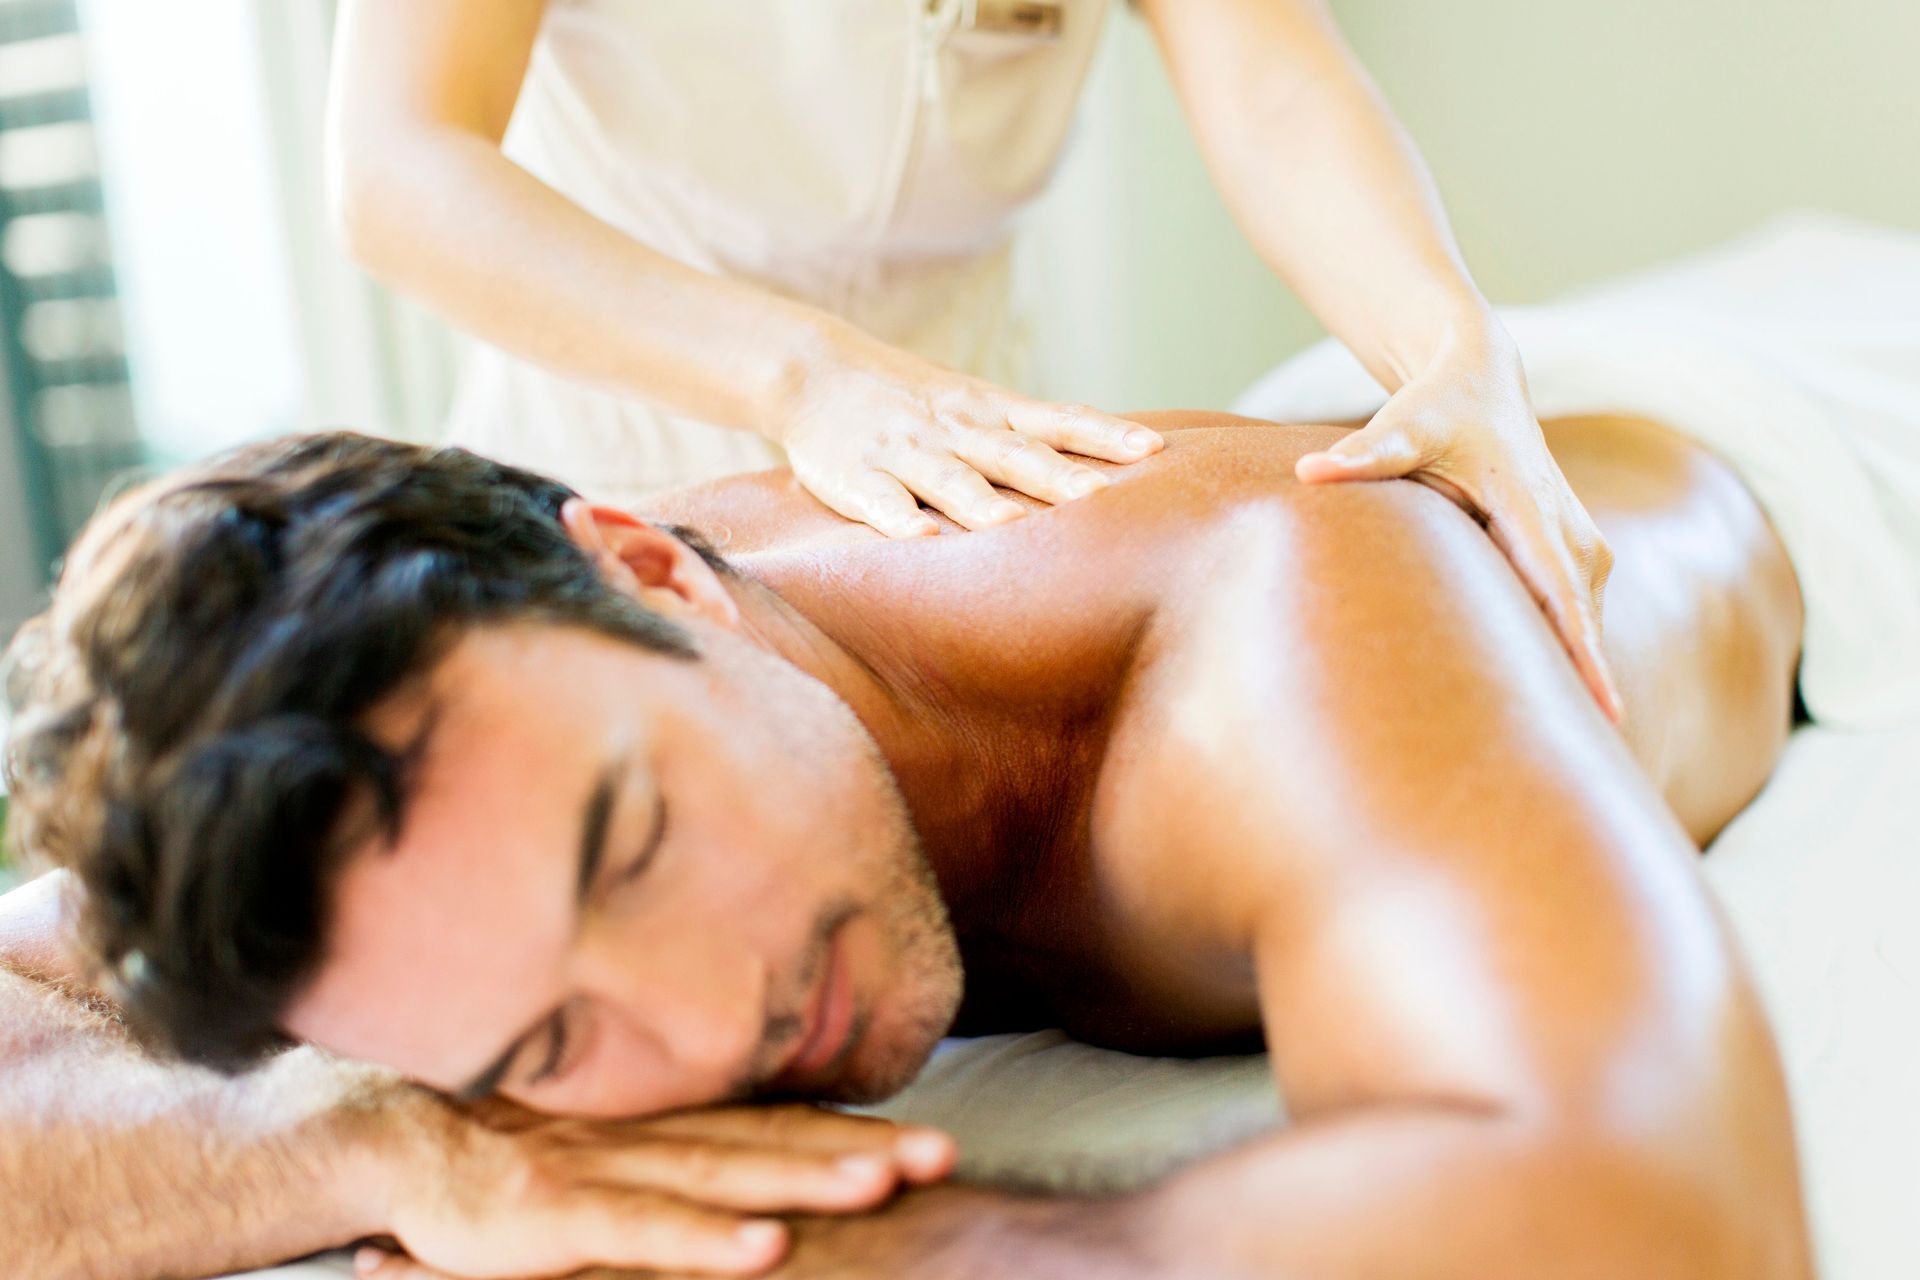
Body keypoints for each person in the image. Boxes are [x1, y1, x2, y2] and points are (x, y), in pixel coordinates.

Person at [1, 400, 1812, 1278]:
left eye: (631, 846)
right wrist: (386, 1143)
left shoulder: (1279, 622)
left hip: (1773, 439)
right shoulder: (413, 790)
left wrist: (830, 1250)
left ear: (651, 570)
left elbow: (1652, 1223)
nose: (714, 1028)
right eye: (545, 1046)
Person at [328, 0, 1621, 718]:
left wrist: (1452, 347)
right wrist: (805, 378)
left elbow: (1277, 93)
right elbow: (397, 170)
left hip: (971, 499)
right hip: (617, 468)